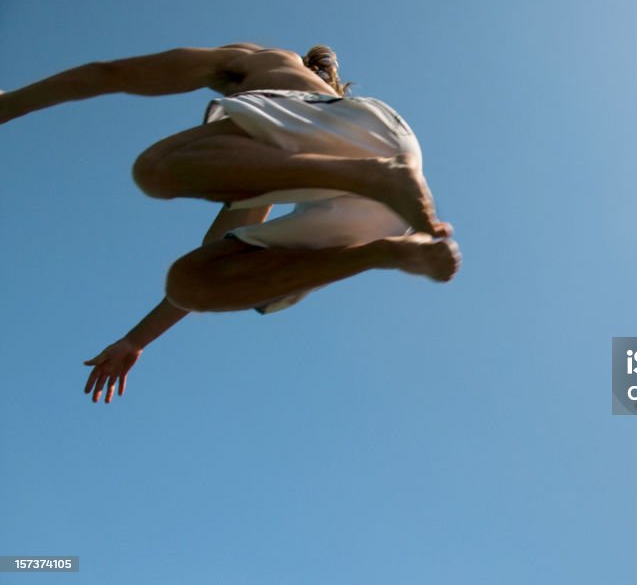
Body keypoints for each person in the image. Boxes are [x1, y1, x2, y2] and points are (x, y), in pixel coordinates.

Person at [0, 43, 460, 403]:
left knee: (158, 169)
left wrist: (12, 104)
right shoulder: (278, 156)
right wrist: (134, 341)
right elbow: (215, 247)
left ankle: (372, 180)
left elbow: (111, 73)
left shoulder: (257, 60)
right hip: (390, 165)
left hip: (366, 148)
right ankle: (387, 252)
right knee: (193, 284)